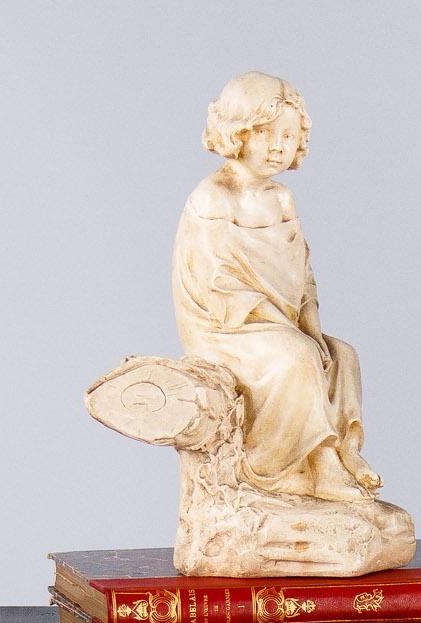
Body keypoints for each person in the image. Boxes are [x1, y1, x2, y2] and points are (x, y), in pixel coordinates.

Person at [172, 72, 382, 503]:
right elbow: (219, 287)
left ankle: (346, 450)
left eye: (288, 135)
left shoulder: (282, 199)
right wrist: (291, 332)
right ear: (238, 132)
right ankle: (315, 465)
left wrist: (312, 326)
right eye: (266, 133)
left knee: (341, 354)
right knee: (296, 356)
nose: (277, 146)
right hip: (227, 329)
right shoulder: (214, 197)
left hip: (281, 323)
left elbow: (303, 278)